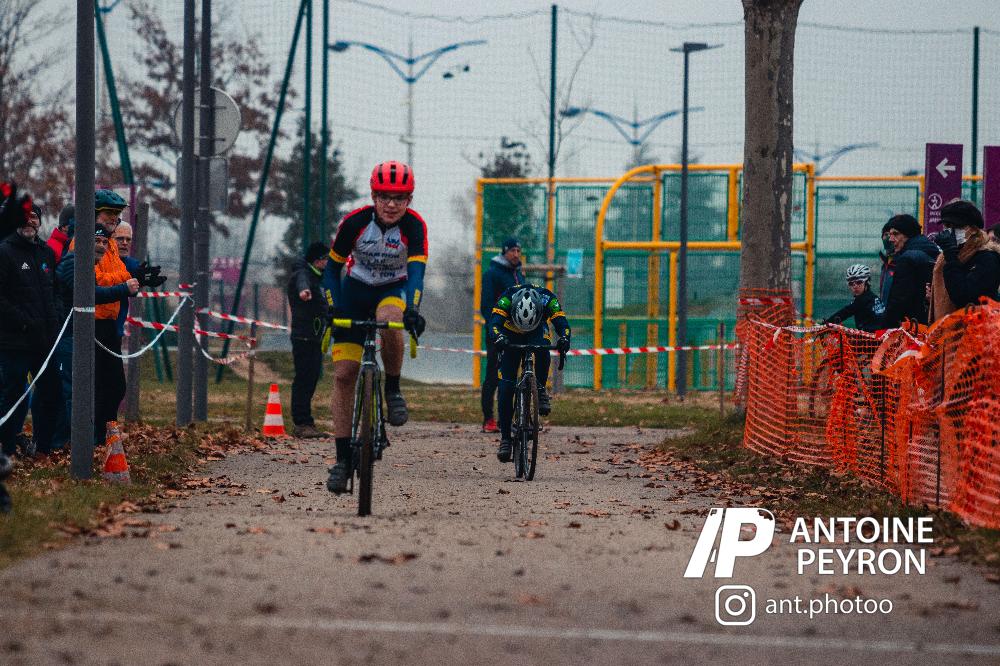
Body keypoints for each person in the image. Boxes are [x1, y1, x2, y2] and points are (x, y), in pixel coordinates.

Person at [322, 161, 427, 494]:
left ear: (409, 200)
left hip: (392, 289)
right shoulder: (354, 223)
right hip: (354, 292)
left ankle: (392, 389)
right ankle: (342, 459)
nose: (391, 204)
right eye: (384, 197)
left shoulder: (414, 226)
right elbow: (331, 270)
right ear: (373, 197)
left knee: (391, 319)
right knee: (344, 375)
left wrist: (413, 309)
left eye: (399, 198)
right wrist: (331, 305)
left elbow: (417, 273)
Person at [56, 226, 139, 448]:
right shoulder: (74, 263)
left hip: (101, 328)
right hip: (76, 331)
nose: (102, 246)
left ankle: (97, 439)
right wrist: (124, 287)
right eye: (97, 241)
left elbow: (125, 272)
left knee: (109, 387)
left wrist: (132, 280)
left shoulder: (100, 261)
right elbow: (91, 293)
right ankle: (75, 443)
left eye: (104, 242)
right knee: (77, 391)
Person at [0, 199, 63, 457]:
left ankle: (43, 447)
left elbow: (54, 290)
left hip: (45, 342)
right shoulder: (4, 252)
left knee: (52, 393)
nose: (29, 221)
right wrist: (24, 321)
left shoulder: (46, 253)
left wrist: (55, 317)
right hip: (14, 342)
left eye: (34, 217)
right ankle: (8, 448)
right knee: (14, 396)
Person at [489, 285, 570, 464]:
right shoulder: (507, 298)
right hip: (510, 332)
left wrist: (565, 338)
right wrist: (498, 337)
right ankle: (505, 439)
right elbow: (493, 325)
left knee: (543, 350)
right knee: (506, 388)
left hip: (537, 330)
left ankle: (540, 389)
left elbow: (562, 324)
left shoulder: (547, 299)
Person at [479, 236, 525, 434]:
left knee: (512, 377)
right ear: (504, 252)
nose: (516, 254)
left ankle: (507, 420)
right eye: (512, 250)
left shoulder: (519, 275)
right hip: (497, 332)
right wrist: (496, 328)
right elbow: (486, 305)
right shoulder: (492, 274)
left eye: (518, 251)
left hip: (517, 332)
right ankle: (488, 418)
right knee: (493, 376)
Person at [929, 200, 1000, 322]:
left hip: (974, 329)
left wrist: (951, 257)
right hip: (944, 328)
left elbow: (965, 297)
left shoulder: (987, 257)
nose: (950, 231)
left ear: (973, 229)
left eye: (957, 226)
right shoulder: (946, 256)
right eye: (947, 225)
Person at [287, 242, 330, 439]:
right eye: (326, 259)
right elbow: (301, 281)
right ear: (318, 260)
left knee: (311, 378)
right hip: (303, 335)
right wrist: (304, 291)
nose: (328, 263)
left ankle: (307, 421)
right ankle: (302, 423)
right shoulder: (304, 274)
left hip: (314, 336)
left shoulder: (319, 278)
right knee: (304, 379)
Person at [876, 214, 939, 328]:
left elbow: (899, 300)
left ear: (908, 234)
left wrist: (883, 326)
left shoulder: (907, 259)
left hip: (912, 327)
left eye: (895, 234)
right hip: (932, 323)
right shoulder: (932, 253)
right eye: (890, 234)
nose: (890, 239)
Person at [824, 264, 882, 333]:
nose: (855, 286)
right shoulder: (874, 298)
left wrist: (824, 325)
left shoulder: (863, 300)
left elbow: (845, 312)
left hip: (872, 338)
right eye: (851, 283)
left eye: (859, 282)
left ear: (867, 282)